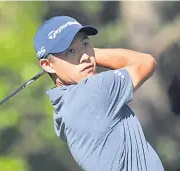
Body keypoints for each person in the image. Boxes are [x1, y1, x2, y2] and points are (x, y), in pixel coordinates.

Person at [33, 16, 165, 171]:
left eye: (85, 44)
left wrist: (73, 56)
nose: (84, 57)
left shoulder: (61, 112)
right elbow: (146, 62)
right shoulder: (95, 91)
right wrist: (91, 53)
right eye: (70, 51)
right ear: (47, 65)